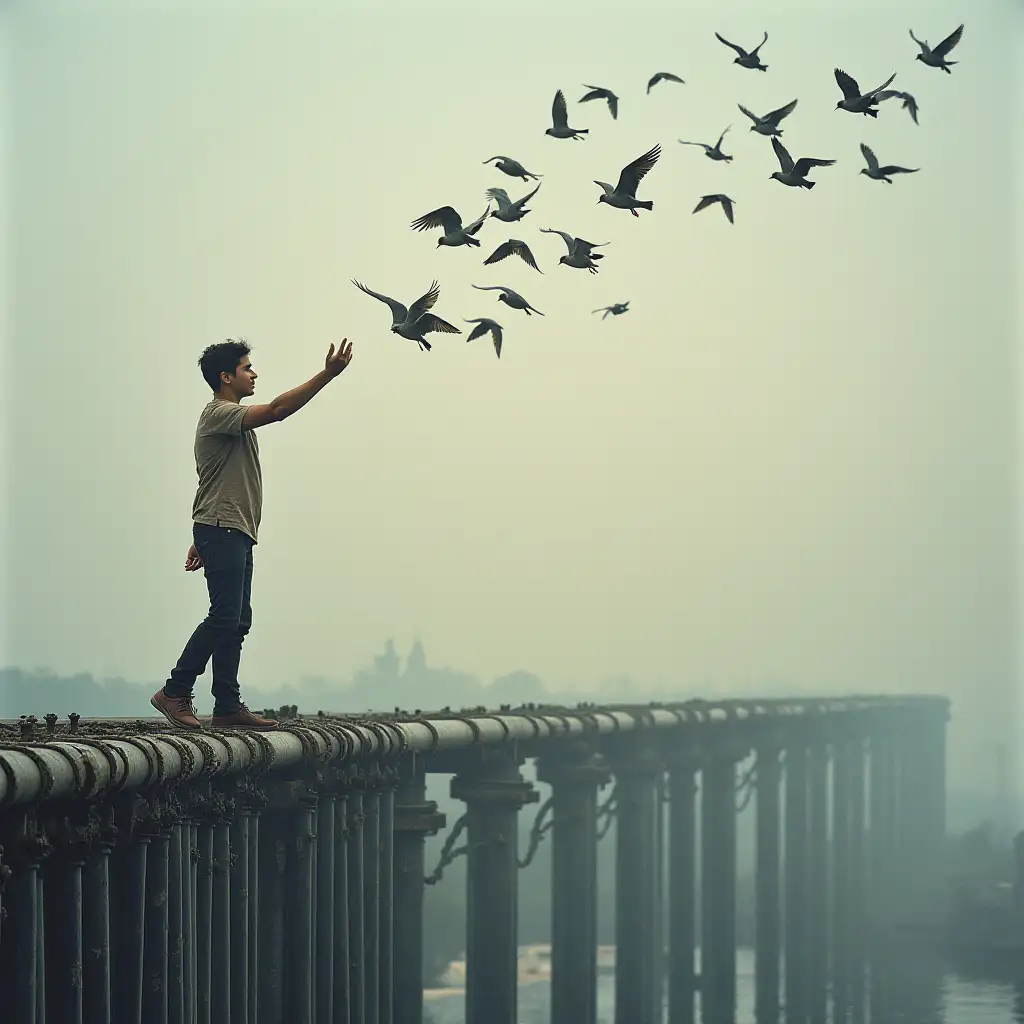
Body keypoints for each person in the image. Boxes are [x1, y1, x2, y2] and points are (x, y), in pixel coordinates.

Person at [151, 337, 354, 730]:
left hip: (229, 529)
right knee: (224, 615)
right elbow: (279, 410)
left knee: (238, 619)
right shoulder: (219, 414)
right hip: (222, 528)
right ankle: (174, 691)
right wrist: (327, 375)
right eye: (247, 368)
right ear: (226, 377)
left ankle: (227, 707)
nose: (254, 373)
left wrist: (201, 536)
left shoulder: (233, 421)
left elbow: (215, 479)